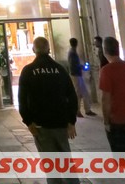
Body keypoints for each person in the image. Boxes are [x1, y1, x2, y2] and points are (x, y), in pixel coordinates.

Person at [18, 36, 79, 184]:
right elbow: (72, 96)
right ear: (49, 49)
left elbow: (22, 99)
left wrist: (28, 121)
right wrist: (71, 121)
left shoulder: (28, 71)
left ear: (34, 50)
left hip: (40, 125)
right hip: (60, 123)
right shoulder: (60, 69)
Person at [67, 38, 95, 117]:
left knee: (82, 93)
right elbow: (74, 65)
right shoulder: (73, 53)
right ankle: (79, 110)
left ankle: (85, 110)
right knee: (79, 93)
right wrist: (83, 67)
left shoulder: (72, 52)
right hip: (76, 75)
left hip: (76, 74)